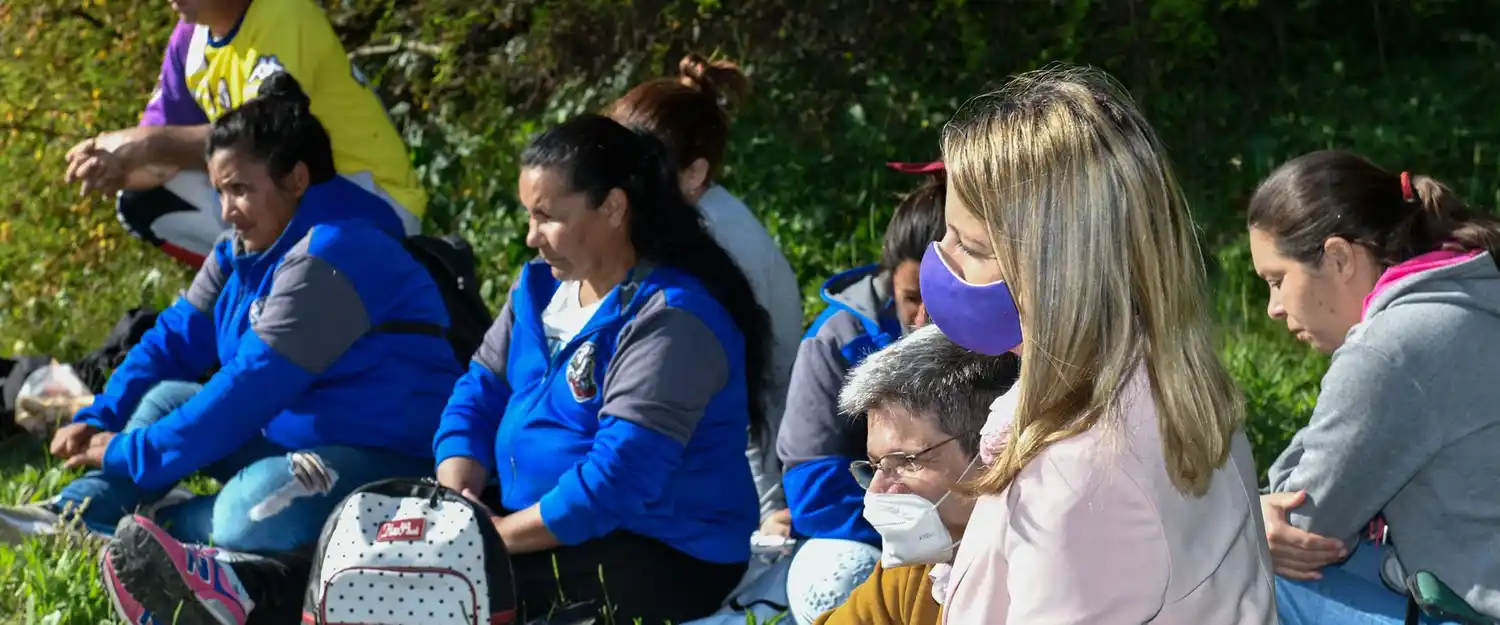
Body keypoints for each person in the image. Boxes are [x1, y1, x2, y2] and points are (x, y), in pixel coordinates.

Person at [95, 113, 772, 625]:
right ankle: (240, 586)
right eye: (527, 215)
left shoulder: (673, 319)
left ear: (615, 208)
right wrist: (456, 488)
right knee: (388, 534)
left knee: (430, 579)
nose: (530, 236)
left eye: (547, 217)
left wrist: (484, 534)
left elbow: (614, 484)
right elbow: (475, 391)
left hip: (659, 550)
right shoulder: (540, 289)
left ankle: (242, 597)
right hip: (522, 510)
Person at [0, 71, 458, 559]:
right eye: (219, 191)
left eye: (239, 189)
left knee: (248, 514)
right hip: (291, 441)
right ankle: (74, 513)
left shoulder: (337, 252)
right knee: (167, 397)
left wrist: (131, 452)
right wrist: (101, 414)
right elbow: (170, 342)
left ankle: (150, 525)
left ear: (297, 179)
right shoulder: (240, 250)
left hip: (387, 460)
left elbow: (247, 386)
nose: (226, 211)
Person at [925, 65, 1277, 623]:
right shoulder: (1169, 389)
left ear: (1059, 272)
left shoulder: (1075, 477)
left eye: (970, 245)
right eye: (946, 233)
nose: (940, 259)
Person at [1248, 150, 1500, 623]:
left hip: (1471, 612)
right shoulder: (1470, 294)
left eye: (1278, 280)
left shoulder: (1390, 350)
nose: (1273, 308)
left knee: (1240, 571)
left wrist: (1254, 512)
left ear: (1340, 257)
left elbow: (1305, 524)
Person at [66, 0, 426, 268]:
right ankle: (258, 291)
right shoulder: (190, 40)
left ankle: (304, 298)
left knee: (258, 168)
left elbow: (263, 140)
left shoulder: (284, 13)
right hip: (291, 195)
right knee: (143, 200)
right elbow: (156, 147)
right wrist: (109, 161)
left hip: (371, 200)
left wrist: (148, 145)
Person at [610, 55, 804, 525]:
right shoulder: (677, 220)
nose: (618, 182)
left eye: (638, 169)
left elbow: (744, 392)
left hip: (752, 456)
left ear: (694, 175)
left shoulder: (716, 237)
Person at [775, 161, 946, 624]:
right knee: (837, 577)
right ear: (888, 279)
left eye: (942, 293)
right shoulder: (837, 340)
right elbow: (813, 484)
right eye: (912, 297)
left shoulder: (1001, 338)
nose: (925, 319)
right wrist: (913, 533)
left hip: (972, 537)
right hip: (870, 539)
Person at [805, 324, 1017, 625]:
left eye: (904, 461)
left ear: (993, 450)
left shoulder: (1056, 570)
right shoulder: (919, 570)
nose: (877, 492)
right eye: (876, 466)